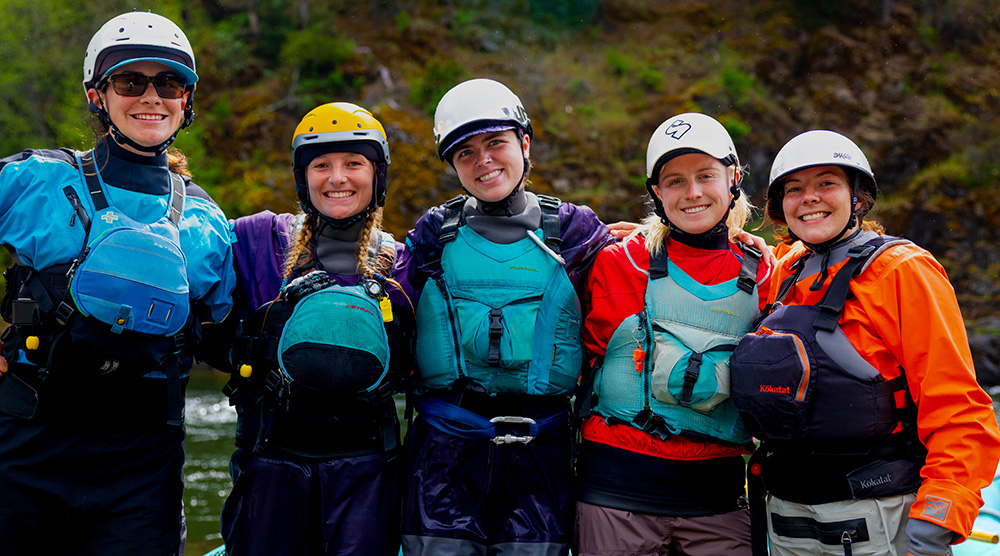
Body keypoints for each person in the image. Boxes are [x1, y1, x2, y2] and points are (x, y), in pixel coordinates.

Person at [0, 11, 235, 556]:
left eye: (169, 84)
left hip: (142, 464)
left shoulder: (207, 221)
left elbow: (223, 334)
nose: (152, 96)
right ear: (97, 95)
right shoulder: (36, 180)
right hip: (28, 444)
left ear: (187, 101)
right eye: (131, 82)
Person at [730, 130, 1000, 556]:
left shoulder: (902, 271)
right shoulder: (783, 272)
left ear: (857, 196)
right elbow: (715, 258)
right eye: (794, 189)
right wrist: (655, 236)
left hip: (878, 516)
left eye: (827, 184)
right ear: (781, 206)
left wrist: (936, 522)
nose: (809, 198)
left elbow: (958, 408)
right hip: (786, 518)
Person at [398, 78, 619, 555]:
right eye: (465, 152)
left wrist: (731, 239)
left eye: (495, 143)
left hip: (542, 454)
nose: (484, 161)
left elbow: (640, 270)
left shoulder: (576, 232)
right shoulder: (435, 233)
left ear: (523, 142)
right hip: (444, 458)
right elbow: (384, 293)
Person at [211, 102, 415, 556]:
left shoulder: (402, 263)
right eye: (321, 165)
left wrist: (607, 239)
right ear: (303, 179)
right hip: (269, 466)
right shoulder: (257, 239)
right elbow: (185, 243)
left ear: (377, 176)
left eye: (353, 164)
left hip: (366, 473)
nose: (337, 178)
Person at [573, 113, 771, 556]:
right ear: (657, 194)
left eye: (706, 176)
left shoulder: (769, 272)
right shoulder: (615, 260)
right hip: (615, 494)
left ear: (734, 178)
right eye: (675, 181)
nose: (693, 192)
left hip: (718, 498)